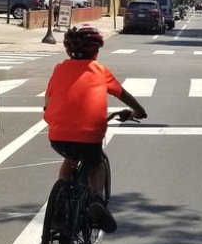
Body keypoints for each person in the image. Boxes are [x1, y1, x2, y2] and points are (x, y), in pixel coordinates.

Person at [43, 24, 147, 233]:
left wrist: (49, 111)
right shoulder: (100, 71)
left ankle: (59, 207)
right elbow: (122, 94)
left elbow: (49, 97)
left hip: (57, 135)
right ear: (96, 51)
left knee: (70, 159)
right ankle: (97, 200)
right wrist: (139, 111)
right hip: (89, 136)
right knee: (96, 163)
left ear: (68, 50)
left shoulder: (59, 68)